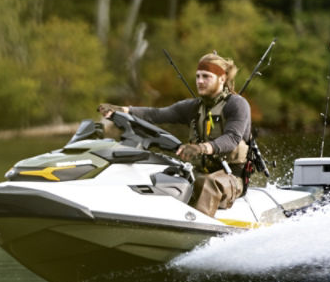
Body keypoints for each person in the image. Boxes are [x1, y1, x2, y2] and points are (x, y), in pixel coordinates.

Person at [98, 51, 252, 219]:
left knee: (207, 183)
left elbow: (232, 138)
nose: (200, 81)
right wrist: (123, 110)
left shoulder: (237, 104)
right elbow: (157, 114)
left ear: (222, 79)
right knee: (164, 176)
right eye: (198, 76)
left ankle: (196, 232)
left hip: (231, 178)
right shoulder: (193, 107)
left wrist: (202, 148)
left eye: (206, 76)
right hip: (199, 172)